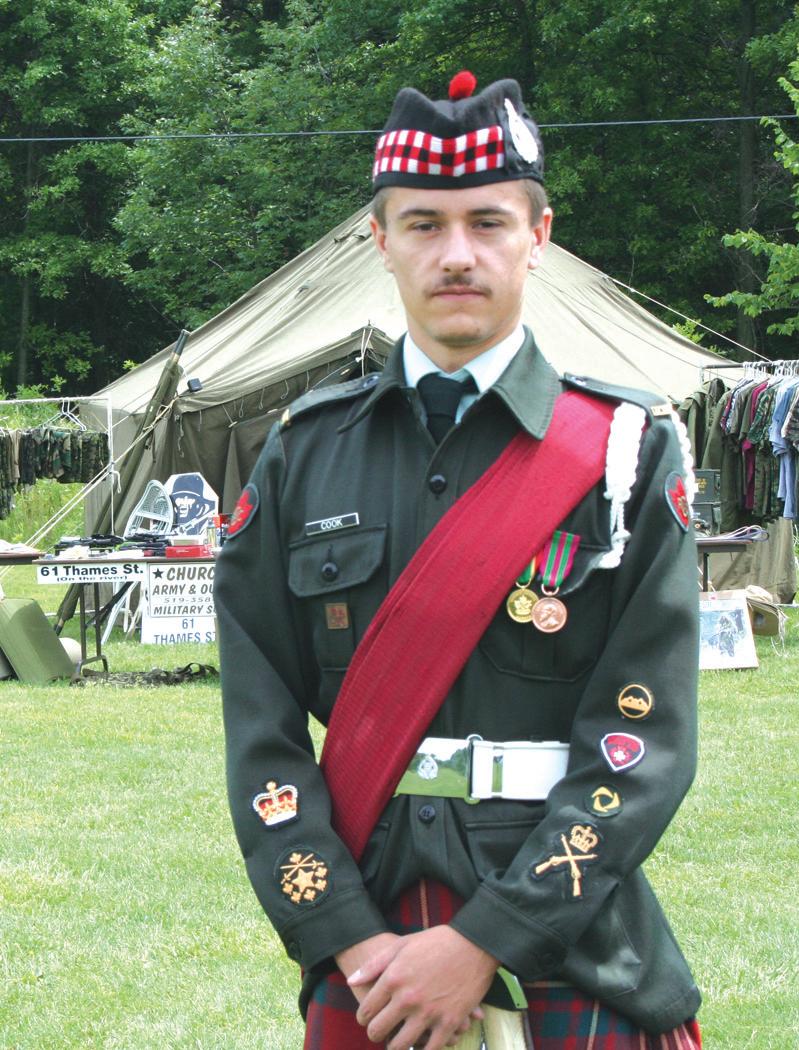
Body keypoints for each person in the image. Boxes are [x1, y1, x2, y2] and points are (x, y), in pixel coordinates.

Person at [215, 71, 702, 1050]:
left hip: (565, 933)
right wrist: (346, 937)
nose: (456, 255)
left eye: (487, 222)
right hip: (368, 944)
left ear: (538, 235)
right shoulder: (303, 453)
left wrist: (488, 938)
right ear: (379, 239)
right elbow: (261, 735)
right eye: (423, 225)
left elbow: (640, 740)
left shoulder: (625, 452)